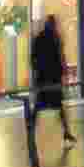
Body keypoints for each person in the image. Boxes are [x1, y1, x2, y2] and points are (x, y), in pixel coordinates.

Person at [30, 15, 75, 145]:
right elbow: (60, 56)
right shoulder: (55, 38)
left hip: (43, 76)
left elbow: (33, 58)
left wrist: (36, 72)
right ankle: (66, 132)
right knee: (58, 105)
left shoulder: (39, 38)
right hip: (53, 77)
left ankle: (31, 129)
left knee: (39, 104)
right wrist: (64, 71)